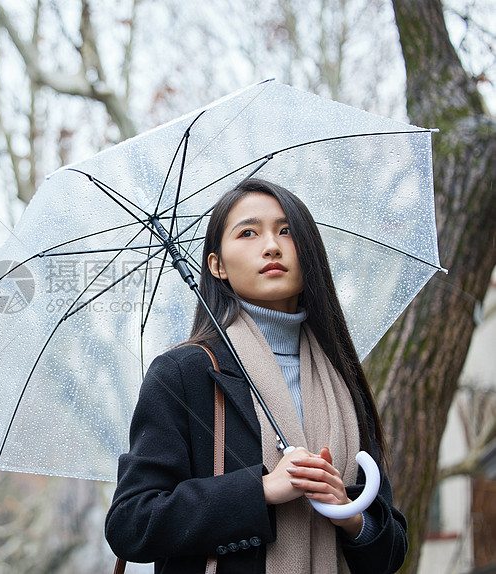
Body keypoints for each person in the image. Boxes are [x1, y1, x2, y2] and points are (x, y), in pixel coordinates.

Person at [105, 179, 408, 574]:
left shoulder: (342, 381)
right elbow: (131, 522)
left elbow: (393, 550)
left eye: (287, 231)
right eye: (248, 232)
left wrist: (350, 515)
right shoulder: (184, 373)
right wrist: (261, 490)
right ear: (217, 266)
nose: (272, 246)